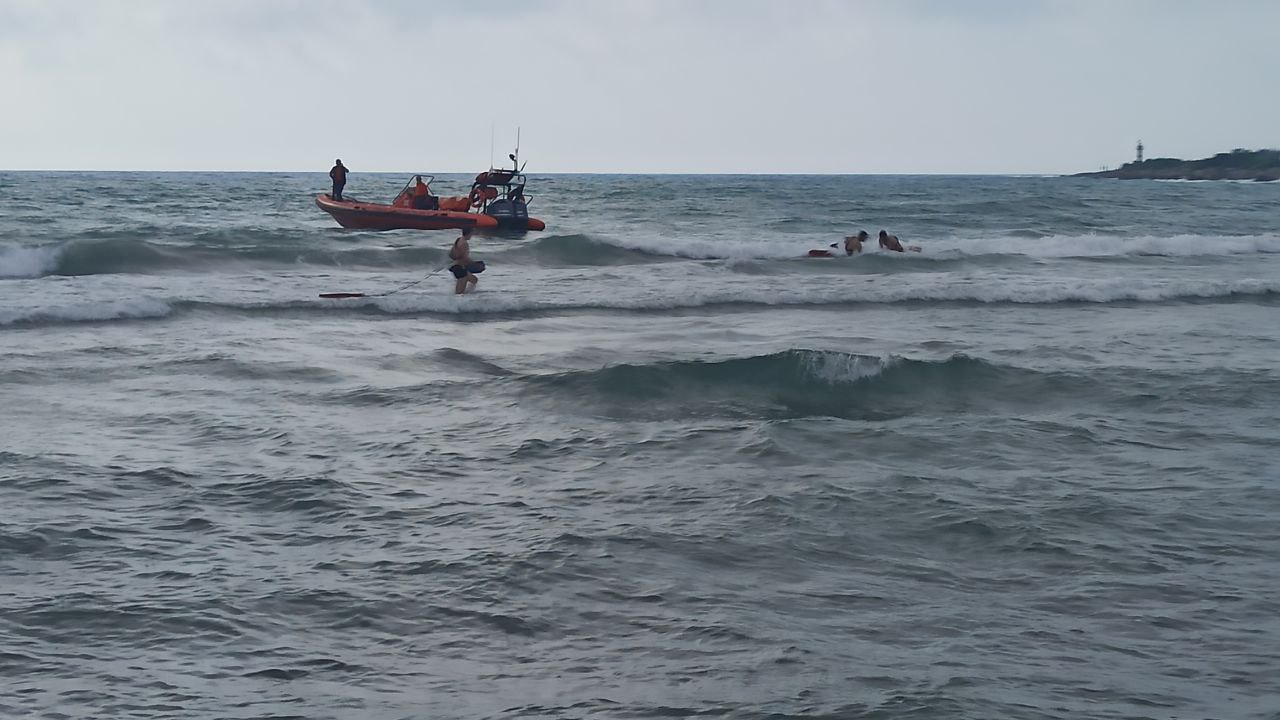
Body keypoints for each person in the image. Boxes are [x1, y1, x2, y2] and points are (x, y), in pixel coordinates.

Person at [448, 227, 485, 294]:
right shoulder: (464, 243)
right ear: (470, 233)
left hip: (457, 266)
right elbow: (465, 258)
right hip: (460, 268)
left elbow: (451, 254)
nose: (472, 235)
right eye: (472, 233)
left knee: (474, 280)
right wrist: (474, 264)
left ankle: (468, 296)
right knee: (459, 293)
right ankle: (457, 302)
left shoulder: (458, 240)